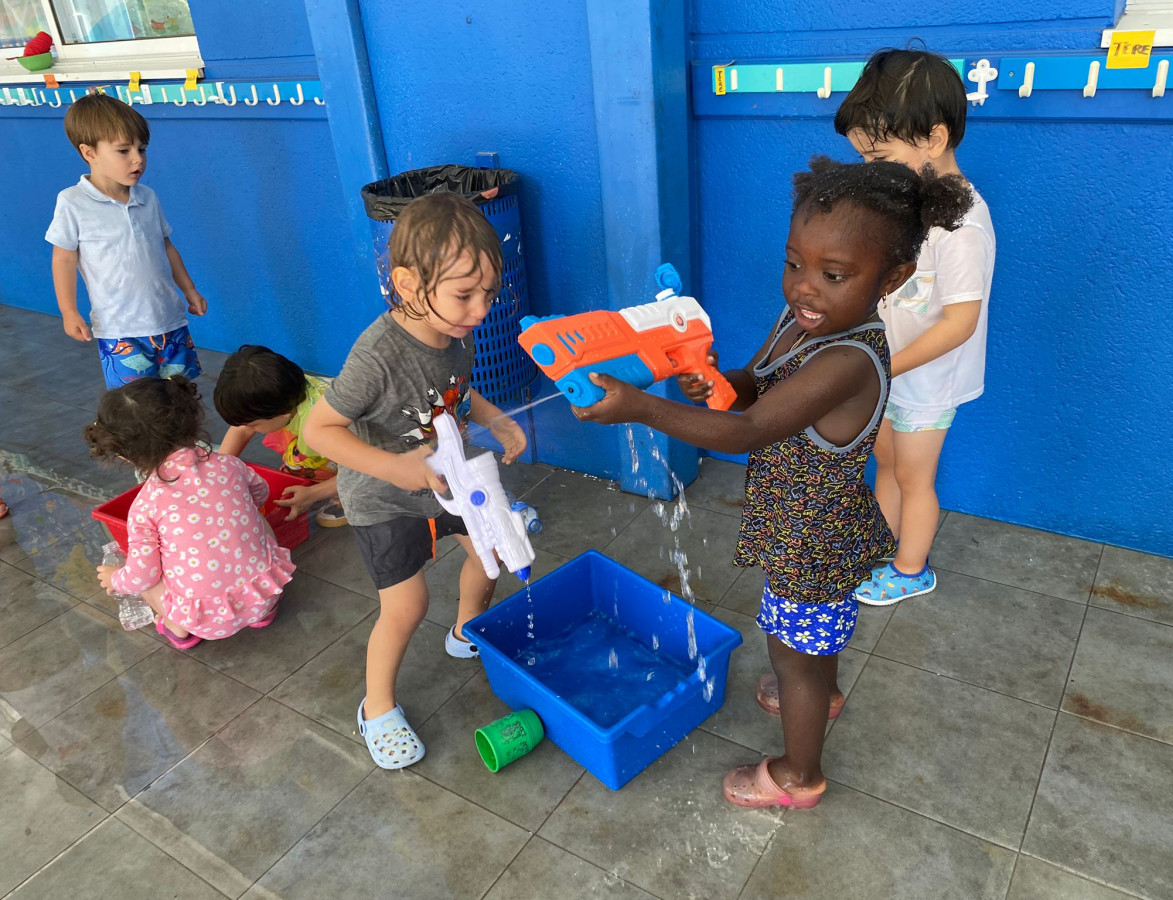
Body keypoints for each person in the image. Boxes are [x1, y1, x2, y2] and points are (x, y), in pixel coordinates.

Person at [576, 158, 972, 808]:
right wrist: (720, 384)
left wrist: (642, 408)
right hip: (796, 519)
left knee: (794, 653)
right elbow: (757, 385)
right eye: (795, 264)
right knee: (804, 644)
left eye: (833, 275)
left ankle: (798, 775)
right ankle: (820, 689)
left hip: (813, 537)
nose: (805, 289)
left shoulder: (849, 358)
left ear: (892, 278)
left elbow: (748, 431)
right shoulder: (803, 323)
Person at [304, 193, 527, 770]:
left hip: (449, 480)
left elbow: (454, 392)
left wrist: (496, 419)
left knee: (490, 551)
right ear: (408, 284)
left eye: (487, 294)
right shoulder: (378, 355)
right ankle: (376, 707)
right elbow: (319, 429)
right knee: (405, 606)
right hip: (383, 500)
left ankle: (466, 629)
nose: (480, 310)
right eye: (464, 294)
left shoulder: (455, 328)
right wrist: (397, 468)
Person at [834, 48, 997, 605]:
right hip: (889, 371)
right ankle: (882, 543)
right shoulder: (912, 201)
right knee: (885, 461)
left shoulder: (962, 223)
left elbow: (960, 323)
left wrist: (882, 367)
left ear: (933, 137)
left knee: (914, 477)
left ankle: (910, 570)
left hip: (926, 383)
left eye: (879, 156)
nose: (870, 171)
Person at [86, 376, 295, 649]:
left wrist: (115, 578)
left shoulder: (146, 505)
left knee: (148, 575)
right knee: (258, 518)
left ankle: (177, 629)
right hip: (265, 594)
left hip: (204, 621)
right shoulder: (230, 465)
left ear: (123, 455)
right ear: (192, 419)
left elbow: (142, 576)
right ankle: (263, 614)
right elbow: (261, 494)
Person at [46, 92, 208, 389]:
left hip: (169, 321)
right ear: (89, 152)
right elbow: (64, 258)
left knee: (181, 395)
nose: (138, 159)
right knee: (137, 405)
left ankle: (181, 438)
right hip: (120, 330)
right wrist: (69, 312)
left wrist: (189, 290)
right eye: (123, 151)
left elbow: (167, 248)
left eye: (142, 149)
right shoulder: (73, 202)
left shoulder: (147, 198)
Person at [214, 345, 347, 528]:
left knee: (362, 482)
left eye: (253, 424)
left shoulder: (322, 427)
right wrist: (219, 469)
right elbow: (242, 429)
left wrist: (314, 494)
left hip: (377, 454)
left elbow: (365, 469)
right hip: (324, 441)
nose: (248, 427)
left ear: (282, 415)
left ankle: (354, 498)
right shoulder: (283, 392)